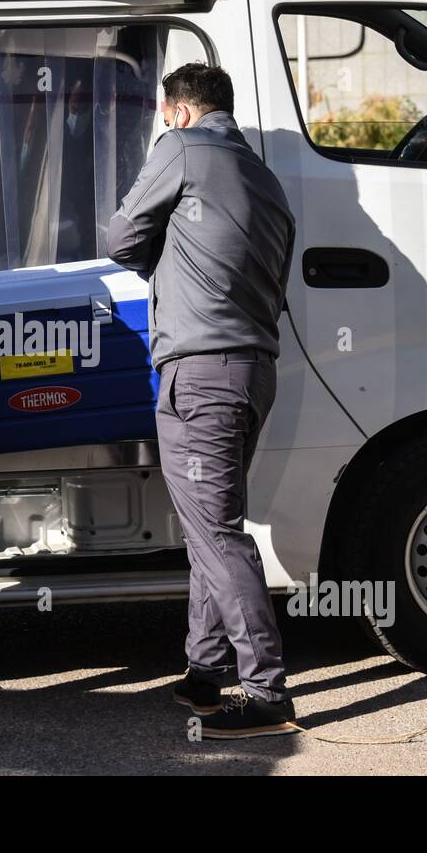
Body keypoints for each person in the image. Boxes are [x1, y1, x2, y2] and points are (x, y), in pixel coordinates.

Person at [107, 63, 299, 738]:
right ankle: (203, 669)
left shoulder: (181, 149)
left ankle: (267, 690)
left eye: (165, 117)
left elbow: (120, 237)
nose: (163, 127)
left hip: (202, 372)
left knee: (217, 532)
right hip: (254, 371)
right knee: (207, 524)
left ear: (180, 112)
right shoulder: (267, 180)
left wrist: (163, 257)